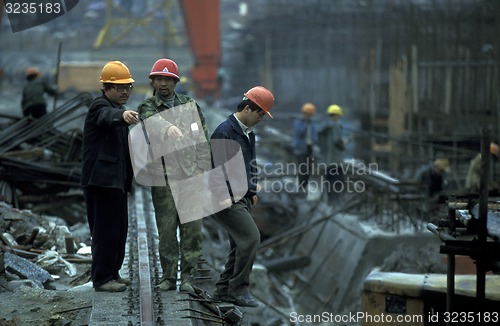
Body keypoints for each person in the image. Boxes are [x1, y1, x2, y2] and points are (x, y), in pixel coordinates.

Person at [138, 58, 211, 293]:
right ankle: (169, 277)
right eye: (159, 79)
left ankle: (188, 278)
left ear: (175, 82)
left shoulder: (190, 106)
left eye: (167, 80)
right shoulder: (148, 106)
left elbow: (202, 140)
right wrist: (168, 128)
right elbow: (151, 121)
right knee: (167, 231)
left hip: (190, 177)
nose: (163, 84)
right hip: (164, 179)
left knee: (192, 232)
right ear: (153, 81)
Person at [210, 86, 275, 307]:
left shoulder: (248, 133)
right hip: (226, 197)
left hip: (242, 196)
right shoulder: (224, 132)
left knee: (239, 244)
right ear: (247, 108)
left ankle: (222, 290)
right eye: (260, 114)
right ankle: (238, 289)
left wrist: (252, 191)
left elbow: (250, 164)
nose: (260, 119)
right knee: (251, 238)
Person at [81, 61, 139, 292]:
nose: (125, 91)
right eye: (119, 87)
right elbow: (106, 115)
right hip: (100, 182)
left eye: (128, 87)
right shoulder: (100, 106)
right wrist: (122, 115)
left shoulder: (117, 110)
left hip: (114, 183)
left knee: (118, 230)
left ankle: (113, 272)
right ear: (106, 88)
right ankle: (102, 279)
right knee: (104, 232)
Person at [318, 104, 345, 199]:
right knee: (337, 182)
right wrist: (343, 145)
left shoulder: (324, 127)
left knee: (328, 181)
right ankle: (335, 202)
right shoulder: (336, 125)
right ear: (336, 115)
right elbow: (337, 140)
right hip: (335, 160)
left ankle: (330, 201)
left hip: (327, 161)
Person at [292, 103, 319, 192]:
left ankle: (305, 187)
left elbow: (314, 135)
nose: (309, 116)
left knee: (308, 169)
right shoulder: (298, 122)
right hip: (301, 149)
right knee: (302, 169)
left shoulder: (312, 123)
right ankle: (301, 188)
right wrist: (305, 125)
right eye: (308, 114)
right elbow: (300, 132)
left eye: (311, 115)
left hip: (310, 148)